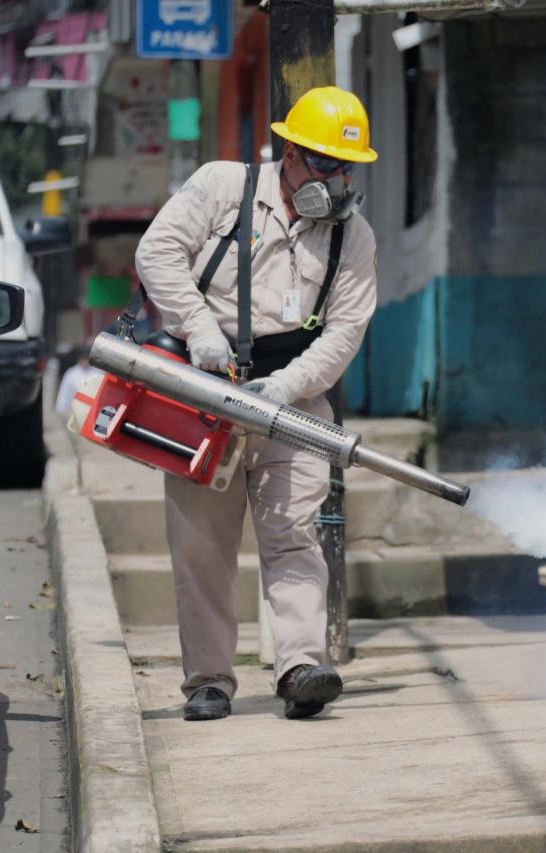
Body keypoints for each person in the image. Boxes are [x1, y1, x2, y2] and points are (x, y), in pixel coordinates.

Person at [134, 87, 378, 721]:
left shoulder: (353, 235)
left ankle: (300, 666)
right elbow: (156, 253)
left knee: (294, 535)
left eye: (347, 166)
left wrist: (285, 387)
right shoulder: (223, 186)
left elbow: (345, 332)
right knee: (201, 546)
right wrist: (199, 327)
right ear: (289, 152)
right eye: (325, 163)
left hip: (292, 401)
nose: (337, 178)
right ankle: (209, 680)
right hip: (204, 392)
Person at [54, 342, 101, 414]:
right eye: (83, 358)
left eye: (86, 358)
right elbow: (64, 393)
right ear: (79, 359)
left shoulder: (97, 372)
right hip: (73, 410)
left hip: (92, 410)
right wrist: (60, 409)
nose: (85, 361)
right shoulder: (71, 373)